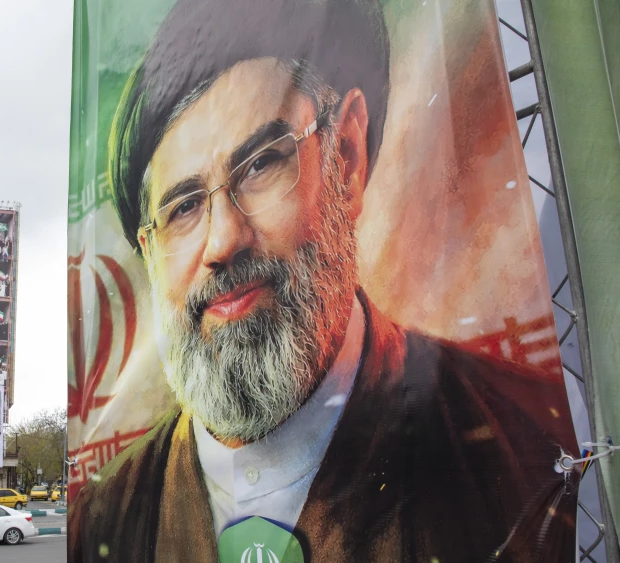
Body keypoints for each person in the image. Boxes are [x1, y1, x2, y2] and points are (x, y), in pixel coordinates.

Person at [68, 1, 578, 562]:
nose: (221, 242)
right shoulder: (101, 521)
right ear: (150, 252)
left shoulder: (525, 449)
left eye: (261, 164)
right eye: (184, 207)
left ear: (347, 156)